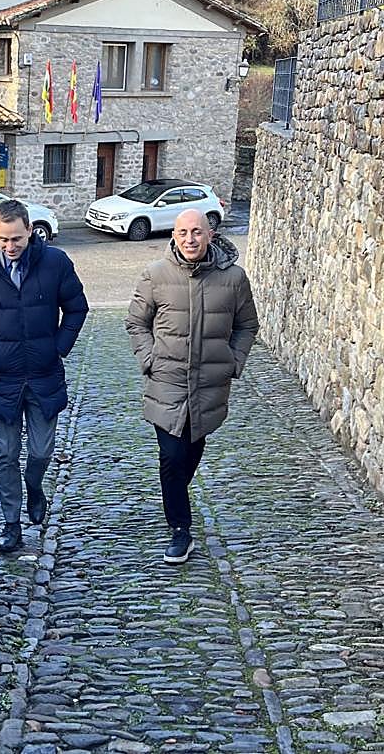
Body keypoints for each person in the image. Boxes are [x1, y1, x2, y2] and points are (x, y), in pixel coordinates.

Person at [125, 208, 259, 564]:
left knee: (191, 450)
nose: (190, 239)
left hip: (208, 385)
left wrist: (233, 361)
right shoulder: (155, 275)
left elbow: (247, 325)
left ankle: (173, 497)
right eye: (183, 232)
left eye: (197, 232)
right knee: (171, 455)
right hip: (166, 382)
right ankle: (180, 529)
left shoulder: (234, 278)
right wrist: (149, 359)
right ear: (174, 235)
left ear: (210, 234)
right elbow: (136, 323)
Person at [0, 200, 88, 555]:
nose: (10, 246)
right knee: (6, 453)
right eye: (4, 239)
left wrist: (59, 346)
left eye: (16, 238)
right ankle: (11, 523)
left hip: (45, 374)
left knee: (41, 452)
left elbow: (76, 307)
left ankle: (34, 486)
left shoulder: (55, 262)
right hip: (3, 376)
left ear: (30, 230)